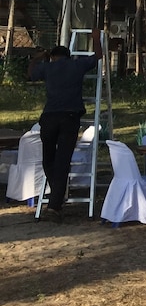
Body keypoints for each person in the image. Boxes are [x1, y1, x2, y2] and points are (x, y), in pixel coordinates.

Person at [28, 28, 103, 222]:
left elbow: (31, 74)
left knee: (48, 159)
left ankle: (56, 197)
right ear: (68, 56)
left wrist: (37, 58)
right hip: (70, 117)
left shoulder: (47, 67)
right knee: (63, 160)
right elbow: (98, 56)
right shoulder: (76, 65)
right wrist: (96, 38)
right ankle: (55, 203)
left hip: (49, 117)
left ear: (53, 57)